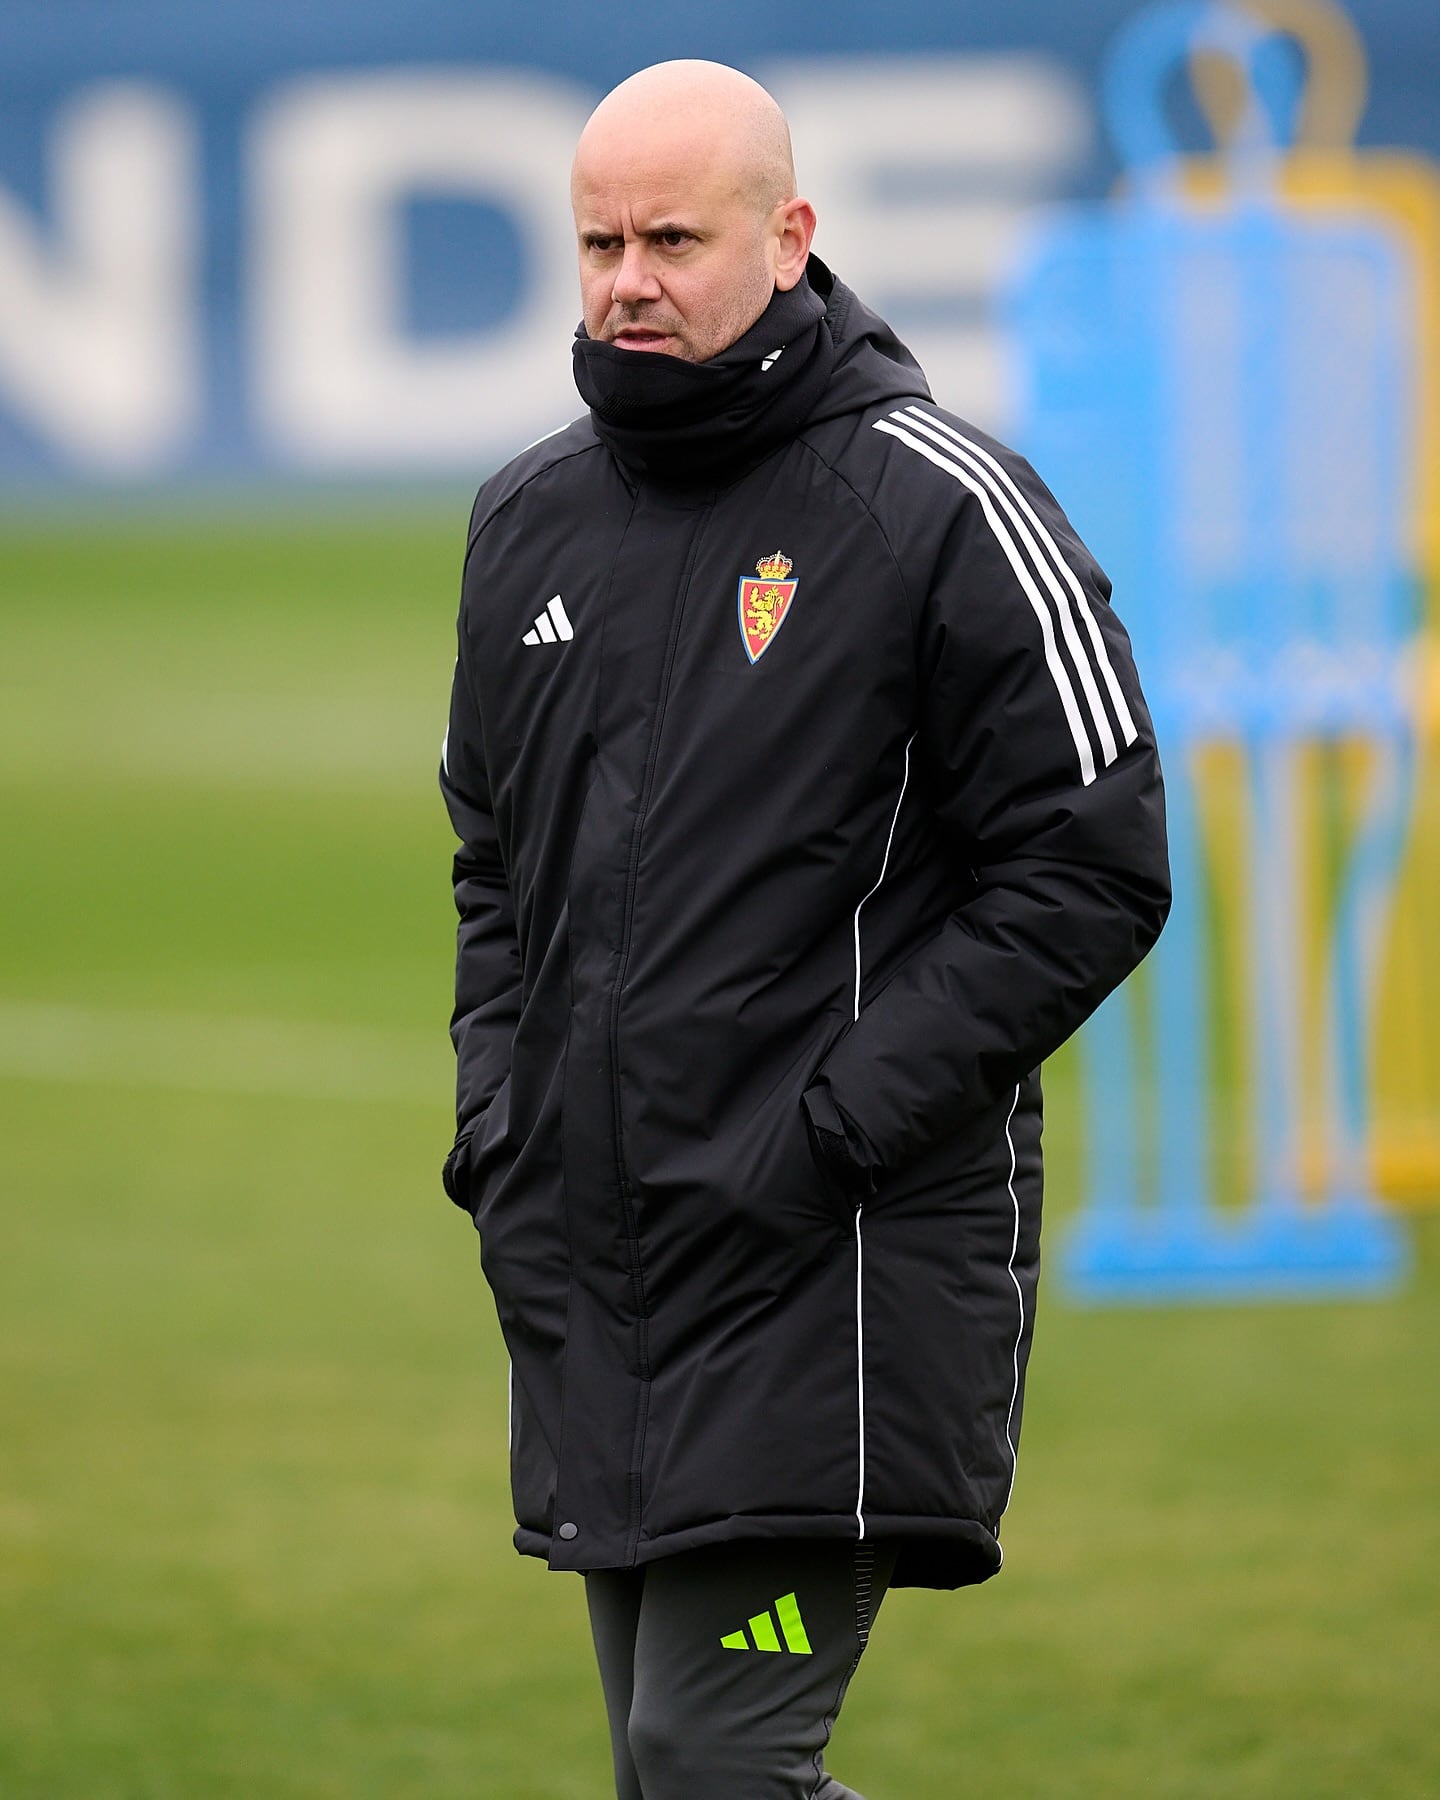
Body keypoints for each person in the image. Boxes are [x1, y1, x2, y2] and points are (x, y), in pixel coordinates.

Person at [439, 59, 1170, 1800]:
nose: (629, 280)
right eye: (601, 240)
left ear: (791, 234)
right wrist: (501, 1123)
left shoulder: (940, 506)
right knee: (665, 1768)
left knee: (713, 1755)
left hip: (822, 1283)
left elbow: (1094, 868)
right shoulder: (526, 521)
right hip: (601, 1273)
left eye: (674, 238)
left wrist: (831, 1130)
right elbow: (490, 865)